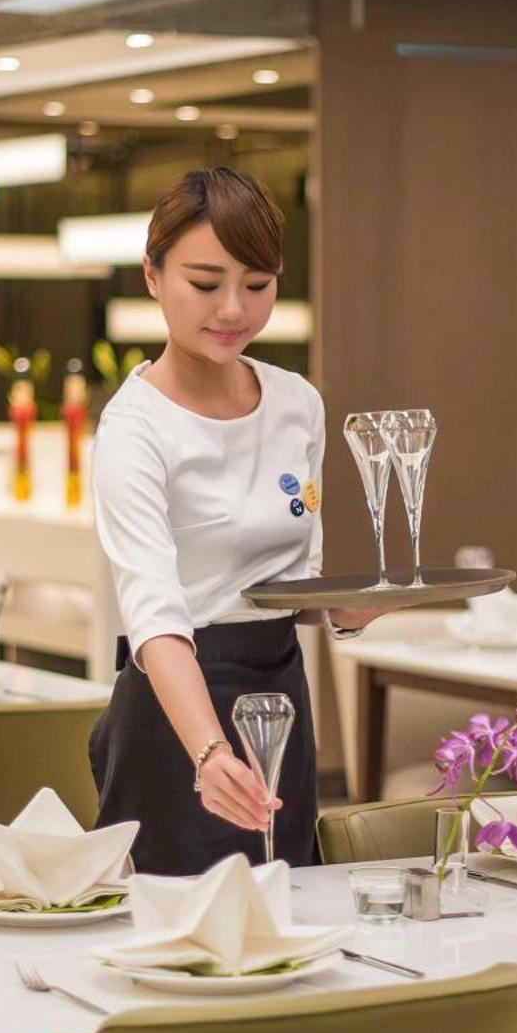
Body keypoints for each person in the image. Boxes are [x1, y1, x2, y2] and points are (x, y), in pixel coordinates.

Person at [88, 167, 378, 875]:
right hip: (176, 711)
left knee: (291, 913)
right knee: (180, 945)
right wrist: (209, 752)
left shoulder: (296, 402)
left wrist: (348, 606)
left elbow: (287, 580)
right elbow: (155, 614)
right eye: (206, 283)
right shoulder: (134, 428)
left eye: (257, 284)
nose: (233, 309)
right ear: (153, 277)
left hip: (279, 694)